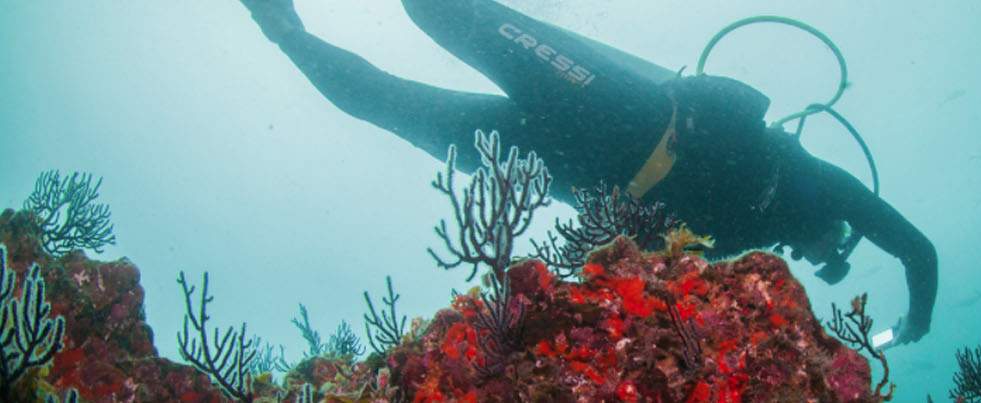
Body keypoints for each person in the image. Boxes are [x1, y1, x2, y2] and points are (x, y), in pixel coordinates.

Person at [240, 0, 937, 347]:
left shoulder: (743, 257)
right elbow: (918, 249)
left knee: (395, 108)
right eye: (831, 245)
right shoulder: (817, 179)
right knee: (445, 10)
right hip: (617, 106)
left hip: (570, 170)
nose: (817, 253)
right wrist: (917, 321)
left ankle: (279, 26)